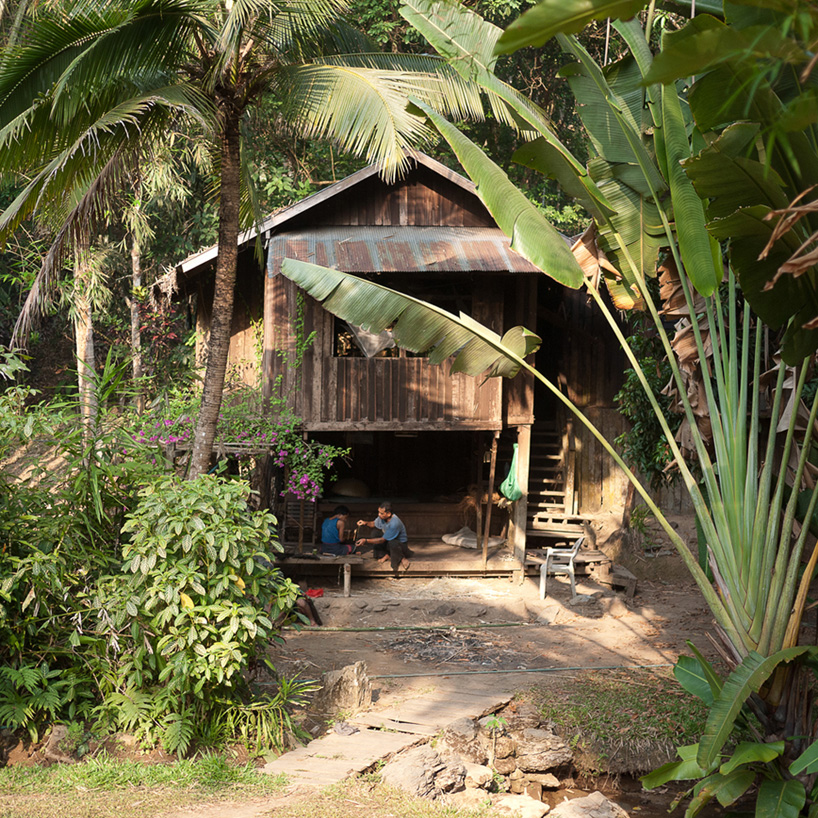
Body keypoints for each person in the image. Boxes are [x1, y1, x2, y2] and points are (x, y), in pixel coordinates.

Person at [356, 502, 412, 577]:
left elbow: (381, 540)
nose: (379, 515)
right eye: (379, 512)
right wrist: (365, 523)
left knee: (393, 543)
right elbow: (374, 523)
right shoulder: (382, 518)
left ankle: (399, 560)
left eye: (381, 513)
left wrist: (366, 541)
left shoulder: (395, 523)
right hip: (389, 542)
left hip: (400, 546)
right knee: (375, 533)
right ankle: (386, 555)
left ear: (388, 514)